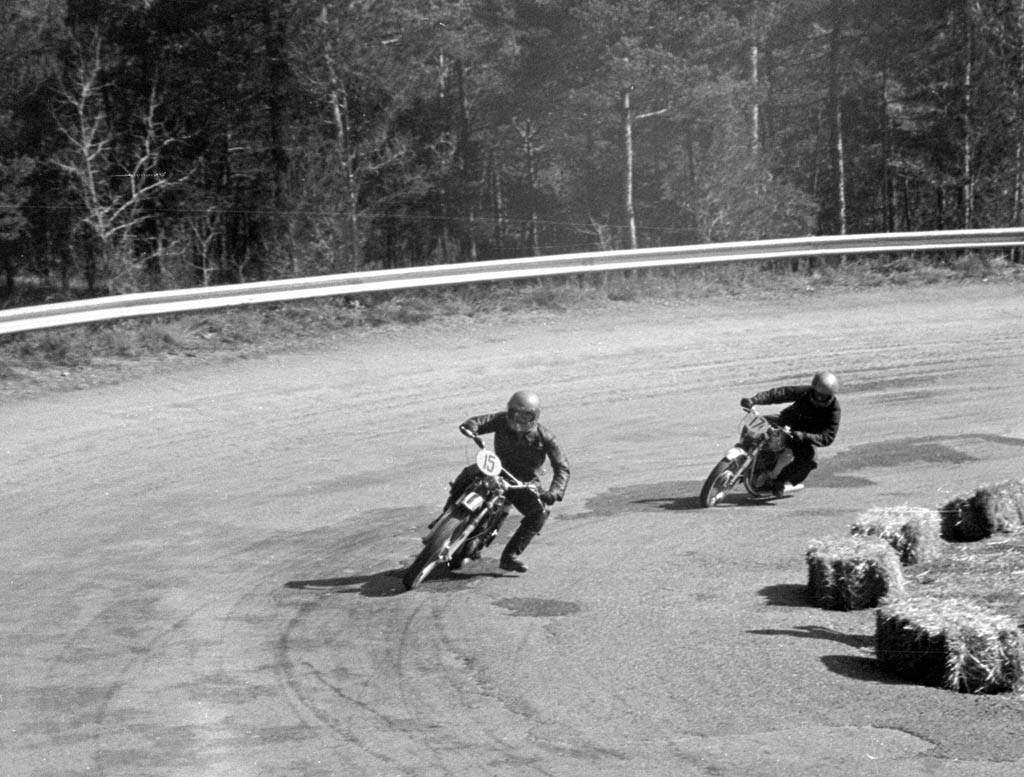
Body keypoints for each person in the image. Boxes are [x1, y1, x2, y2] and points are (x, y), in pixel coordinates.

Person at [445, 390, 570, 573]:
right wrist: (471, 427)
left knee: (540, 513)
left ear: (535, 416)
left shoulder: (546, 437)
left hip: (523, 482)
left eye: (525, 415)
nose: (519, 420)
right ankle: (447, 513)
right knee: (469, 473)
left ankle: (510, 556)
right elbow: (479, 422)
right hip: (497, 469)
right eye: (515, 414)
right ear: (509, 411)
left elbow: (562, 467)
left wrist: (555, 492)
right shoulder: (501, 420)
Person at [740, 371, 841, 497]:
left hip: (802, 437)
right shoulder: (805, 392)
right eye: (818, 393)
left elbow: (828, 436)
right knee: (757, 422)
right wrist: (754, 400)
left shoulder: (834, 410)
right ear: (813, 389)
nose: (820, 398)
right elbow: (780, 393)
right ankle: (743, 454)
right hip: (786, 422)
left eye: (824, 396)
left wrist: (804, 436)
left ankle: (779, 481)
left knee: (808, 460)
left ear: (831, 396)